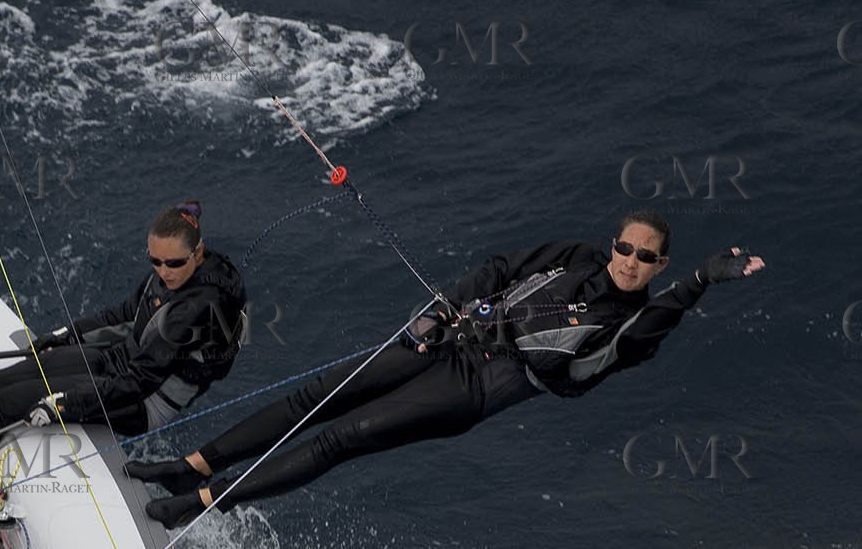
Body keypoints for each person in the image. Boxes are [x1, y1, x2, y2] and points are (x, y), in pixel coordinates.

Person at [127, 211, 766, 527]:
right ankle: (190, 466)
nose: (629, 260)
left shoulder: (633, 327)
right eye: (625, 246)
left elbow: (656, 323)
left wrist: (702, 281)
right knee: (315, 397)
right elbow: (498, 266)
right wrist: (443, 308)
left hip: (473, 388)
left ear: (658, 267)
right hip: (445, 339)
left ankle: (197, 505)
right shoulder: (578, 256)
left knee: (338, 436)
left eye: (645, 257)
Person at [0, 201, 247, 495]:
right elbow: (124, 316)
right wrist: (65, 335)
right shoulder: (172, 275)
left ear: (198, 253)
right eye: (155, 260)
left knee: (6, 403)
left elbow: (136, 384)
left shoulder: (196, 311)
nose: (163, 271)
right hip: (120, 360)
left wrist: (65, 404)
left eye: (172, 263)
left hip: (142, 400)